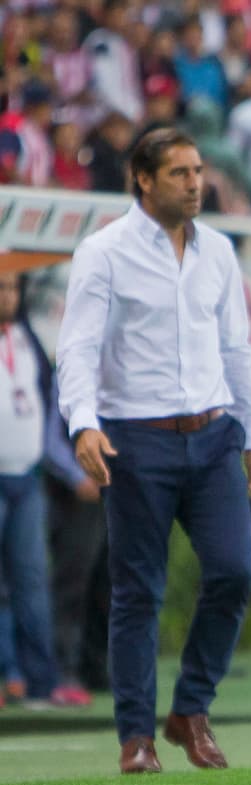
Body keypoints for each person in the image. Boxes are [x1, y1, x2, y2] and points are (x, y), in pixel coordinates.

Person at [57, 127, 251, 774]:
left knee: (235, 571)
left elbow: (237, 347)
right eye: (179, 172)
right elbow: (78, 347)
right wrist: (82, 422)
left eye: (198, 169)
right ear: (142, 179)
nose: (195, 182)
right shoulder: (103, 252)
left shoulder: (219, 253)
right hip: (136, 439)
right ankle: (136, 735)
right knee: (138, 592)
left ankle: (190, 709)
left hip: (213, 436)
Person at [0, 271, 95, 709]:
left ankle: (40, 680)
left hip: (26, 477)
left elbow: (44, 403)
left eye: (13, 287)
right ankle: (9, 675)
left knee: (33, 579)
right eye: (2, 287)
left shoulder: (26, 339)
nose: (9, 295)